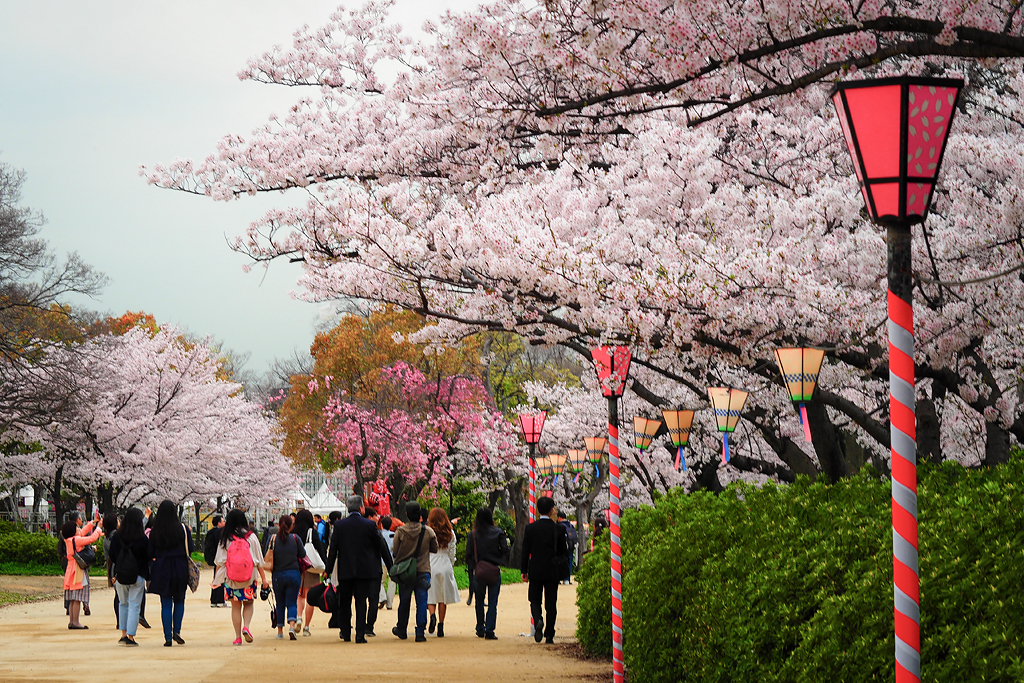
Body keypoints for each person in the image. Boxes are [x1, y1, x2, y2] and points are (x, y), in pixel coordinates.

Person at [325, 495, 392, 642]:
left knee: (345, 602)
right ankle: (360, 634)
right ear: (361, 508)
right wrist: (389, 565)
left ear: (348, 508)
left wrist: (327, 570)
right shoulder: (369, 525)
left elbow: (333, 549)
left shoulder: (340, 526)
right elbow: (380, 545)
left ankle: (345, 632)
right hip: (364, 570)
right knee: (361, 602)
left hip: (345, 569)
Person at [212, 508, 269, 645]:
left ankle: (238, 637)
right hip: (249, 576)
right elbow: (259, 561)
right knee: (248, 603)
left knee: (235, 606)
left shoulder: (225, 537)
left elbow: (219, 561)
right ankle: (246, 627)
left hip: (231, 578)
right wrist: (264, 578)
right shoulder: (251, 537)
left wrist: (215, 579)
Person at [520, 496, 569, 644]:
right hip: (552, 570)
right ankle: (549, 634)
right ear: (551, 510)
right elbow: (564, 552)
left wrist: (524, 570)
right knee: (551, 603)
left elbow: (525, 550)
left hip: (535, 568)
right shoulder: (558, 529)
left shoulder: (531, 528)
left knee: (534, 599)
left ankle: (538, 620)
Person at [147, 499, 195, 647]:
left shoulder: (156, 530)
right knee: (179, 600)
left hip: (162, 567)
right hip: (180, 566)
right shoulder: (182, 529)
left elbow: (150, 551)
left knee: (166, 603)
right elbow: (191, 549)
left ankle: (167, 637)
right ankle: (177, 631)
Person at [390, 502, 438, 642]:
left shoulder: (400, 531)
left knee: (404, 601)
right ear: (421, 515)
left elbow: (395, 551)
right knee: (422, 602)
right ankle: (420, 632)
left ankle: (402, 629)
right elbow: (434, 549)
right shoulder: (428, 531)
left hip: (405, 573)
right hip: (423, 570)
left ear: (407, 514)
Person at [109, 507, 150, 645]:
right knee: (134, 605)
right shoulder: (142, 538)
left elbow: (112, 556)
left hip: (120, 575)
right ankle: (130, 637)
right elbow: (148, 556)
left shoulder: (116, 537)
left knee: (123, 604)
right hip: (137, 575)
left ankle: (123, 633)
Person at [466, 506, 508, 639]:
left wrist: (474, 566)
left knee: (479, 600)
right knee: (492, 601)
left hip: (479, 571)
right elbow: (505, 550)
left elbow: (468, 555)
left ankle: (480, 627)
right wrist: (499, 560)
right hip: (494, 569)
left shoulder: (473, 534)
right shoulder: (498, 532)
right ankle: (490, 629)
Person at [268, 515, 306, 640]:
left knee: (280, 603)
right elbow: (303, 554)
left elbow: (267, 555)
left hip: (278, 575)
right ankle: (291, 626)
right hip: (293, 574)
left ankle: (280, 631)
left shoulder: (273, 539)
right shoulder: (295, 539)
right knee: (292, 603)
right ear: (291, 526)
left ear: (278, 525)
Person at [62, 511, 103, 630]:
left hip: (71, 569)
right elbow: (91, 538)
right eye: (77, 528)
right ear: (73, 531)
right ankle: (76, 622)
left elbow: (83, 531)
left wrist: (93, 523)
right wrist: (98, 528)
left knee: (73, 598)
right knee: (77, 598)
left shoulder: (70, 540)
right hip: (78, 570)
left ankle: (72, 621)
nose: (79, 528)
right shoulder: (77, 540)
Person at [425, 507, 459, 638]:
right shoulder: (450, 533)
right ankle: (441, 625)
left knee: (431, 594)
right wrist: (450, 563)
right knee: (443, 598)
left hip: (432, 563)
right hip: (445, 563)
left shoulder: (429, 532)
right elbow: (452, 551)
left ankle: (432, 615)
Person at [292, 509, 326, 636]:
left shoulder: (293, 532)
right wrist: (326, 566)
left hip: (297, 567)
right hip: (311, 567)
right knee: (310, 598)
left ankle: (298, 617)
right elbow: (320, 550)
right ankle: (306, 627)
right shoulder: (313, 532)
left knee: (299, 596)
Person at [204, 515, 227, 607]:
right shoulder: (220, 532)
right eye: (223, 521)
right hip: (220, 558)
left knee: (216, 577)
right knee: (220, 578)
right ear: (219, 523)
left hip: (213, 558)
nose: (224, 523)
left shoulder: (210, 532)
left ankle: (214, 600)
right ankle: (220, 600)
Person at [378, 517, 397, 611]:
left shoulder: (379, 534)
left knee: (380, 581)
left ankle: (382, 597)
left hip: (381, 561)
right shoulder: (394, 535)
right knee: (392, 582)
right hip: (392, 561)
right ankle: (389, 604)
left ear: (381, 524)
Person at [556, 511, 579, 584]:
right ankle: (567, 579)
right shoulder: (570, 525)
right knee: (569, 562)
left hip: (560, 548)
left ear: (559, 518)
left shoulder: (558, 526)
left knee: (559, 562)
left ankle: (558, 578)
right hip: (570, 547)